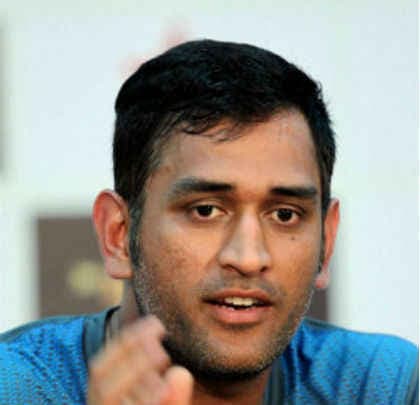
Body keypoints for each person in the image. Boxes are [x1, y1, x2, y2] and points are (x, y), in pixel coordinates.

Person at [0, 39, 417, 405]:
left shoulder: (381, 387)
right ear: (118, 234)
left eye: (284, 214)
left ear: (326, 239)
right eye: (206, 211)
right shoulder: (16, 388)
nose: (249, 258)